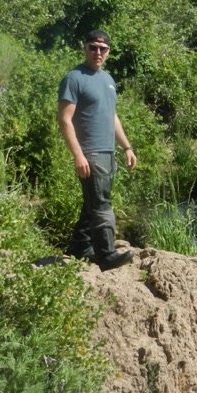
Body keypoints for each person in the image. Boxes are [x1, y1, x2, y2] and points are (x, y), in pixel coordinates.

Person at [57, 30, 136, 271]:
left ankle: (80, 246)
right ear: (85, 48)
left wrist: (127, 147)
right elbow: (64, 119)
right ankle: (106, 254)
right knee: (102, 203)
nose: (98, 52)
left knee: (92, 201)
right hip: (90, 152)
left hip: (108, 152)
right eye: (93, 47)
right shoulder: (74, 78)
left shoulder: (108, 80)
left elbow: (112, 116)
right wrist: (78, 155)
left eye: (103, 49)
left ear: (109, 52)